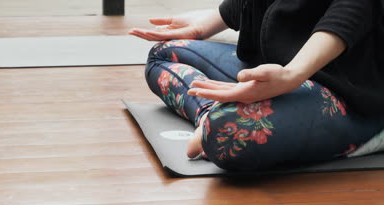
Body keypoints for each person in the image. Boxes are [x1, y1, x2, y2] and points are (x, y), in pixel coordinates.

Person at [129, 0, 384, 171]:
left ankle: (218, 117)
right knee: (164, 53)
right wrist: (201, 26)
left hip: (344, 93)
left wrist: (292, 74)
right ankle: (210, 110)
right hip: (273, 72)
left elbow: (349, 14)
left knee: (223, 135)